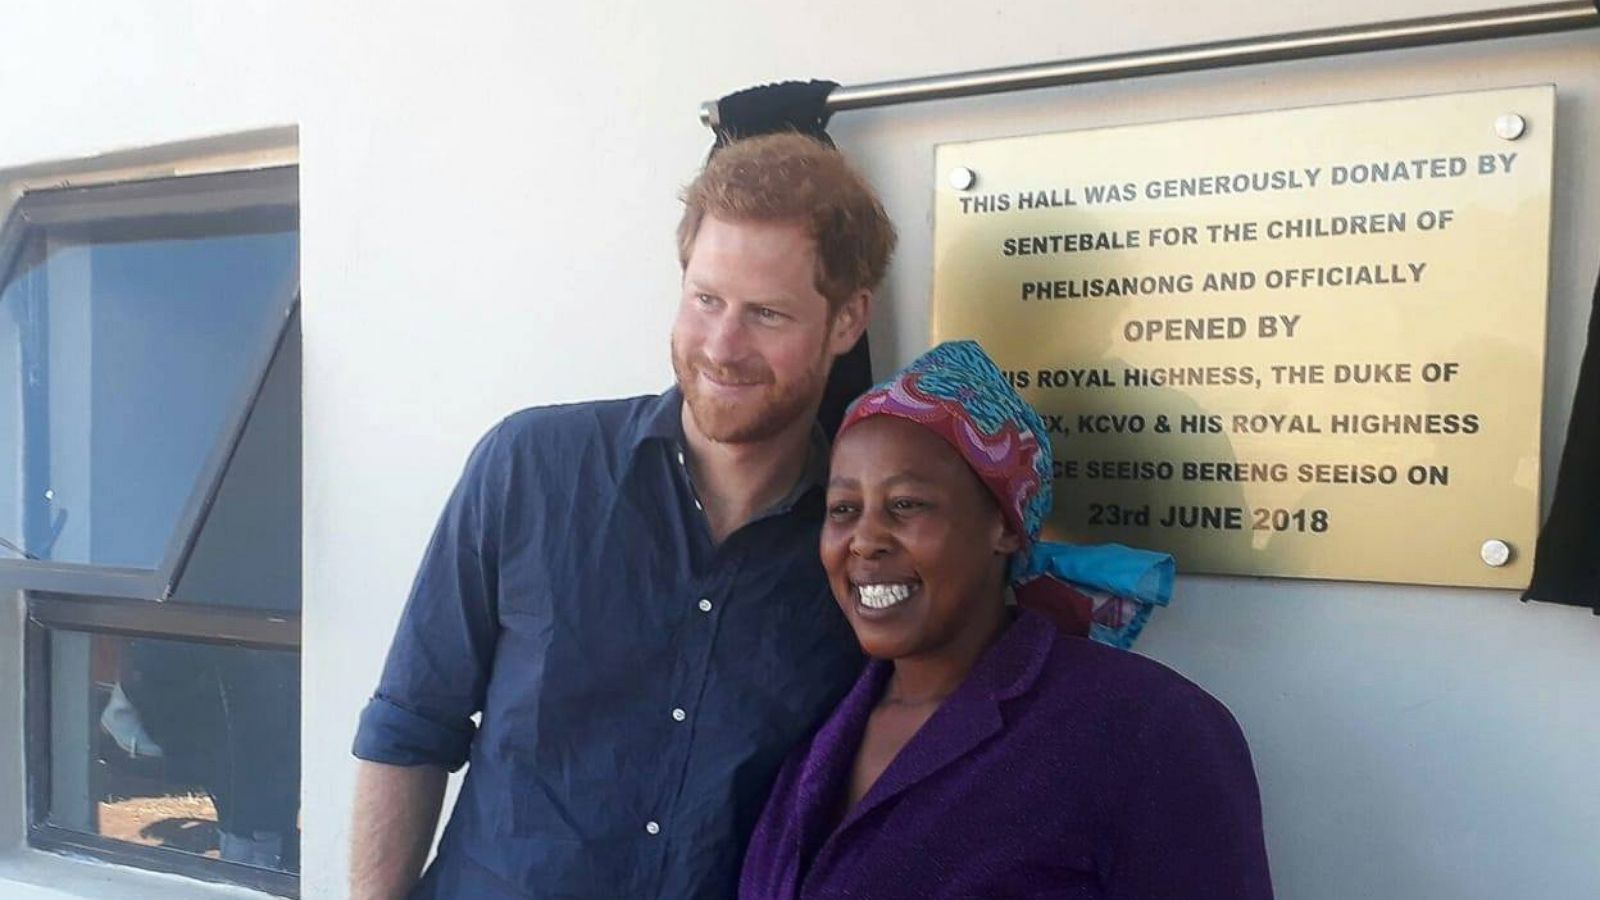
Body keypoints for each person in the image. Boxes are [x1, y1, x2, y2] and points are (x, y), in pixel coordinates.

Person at [349, 132, 897, 899]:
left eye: (767, 314)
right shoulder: (529, 465)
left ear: (847, 321)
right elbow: (411, 724)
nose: (722, 346)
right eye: (705, 299)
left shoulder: (864, 550)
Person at [740, 341, 1274, 899]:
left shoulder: (1149, 730)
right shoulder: (820, 726)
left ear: (1006, 528)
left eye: (906, 505)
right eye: (844, 510)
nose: (865, 541)